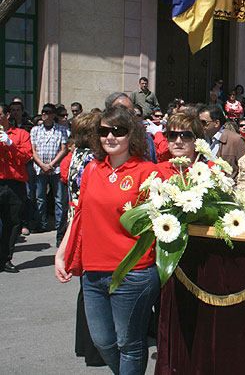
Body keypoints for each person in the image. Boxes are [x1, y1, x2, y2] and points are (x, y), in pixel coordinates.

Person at [55, 106, 160, 374]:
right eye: (104, 131)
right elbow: (79, 213)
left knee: (129, 342)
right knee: (102, 341)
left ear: (131, 135)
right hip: (93, 272)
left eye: (118, 131)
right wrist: (61, 252)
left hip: (132, 272)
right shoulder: (91, 169)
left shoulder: (148, 171)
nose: (110, 137)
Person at [62, 112, 105, 367]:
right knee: (93, 288)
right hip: (86, 223)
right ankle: (93, 347)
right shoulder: (90, 159)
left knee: (85, 288)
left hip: (76, 220)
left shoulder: (76, 154)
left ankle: (83, 343)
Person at [0, 104, 32, 272]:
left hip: (15, 183)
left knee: (12, 222)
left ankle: (5, 258)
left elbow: (26, 157)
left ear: (6, 115)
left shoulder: (22, 134)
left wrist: (10, 143)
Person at [30, 103, 68, 235]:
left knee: (59, 199)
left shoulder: (61, 130)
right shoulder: (35, 130)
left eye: (47, 112)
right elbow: (33, 150)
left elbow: (63, 150)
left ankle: (59, 225)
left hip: (55, 168)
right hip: (40, 168)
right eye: (43, 112)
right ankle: (41, 223)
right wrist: (42, 165)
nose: (44, 114)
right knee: (40, 197)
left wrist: (51, 164)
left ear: (53, 115)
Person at [198, 105, 245, 179]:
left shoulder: (235, 140)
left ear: (216, 123)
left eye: (204, 122)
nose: (201, 125)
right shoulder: (199, 139)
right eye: (199, 122)